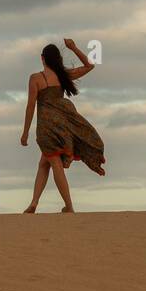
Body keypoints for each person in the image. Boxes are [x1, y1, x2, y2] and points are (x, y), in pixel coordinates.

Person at [20, 38, 106, 213]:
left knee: (54, 164)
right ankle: (34, 202)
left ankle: (69, 206)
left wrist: (25, 132)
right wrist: (73, 47)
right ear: (57, 59)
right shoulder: (62, 75)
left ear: (42, 58)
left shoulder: (36, 78)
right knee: (44, 163)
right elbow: (90, 66)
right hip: (63, 126)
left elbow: (30, 106)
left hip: (46, 128)